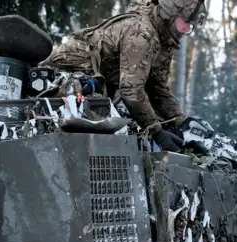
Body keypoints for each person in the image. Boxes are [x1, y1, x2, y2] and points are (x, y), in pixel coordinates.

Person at [39, 0, 207, 152]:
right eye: (185, 22)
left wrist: (181, 121)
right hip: (68, 71)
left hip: (96, 79)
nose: (186, 29)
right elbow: (131, 90)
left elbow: (157, 88)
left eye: (190, 25)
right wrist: (157, 132)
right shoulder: (142, 34)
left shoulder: (164, 39)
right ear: (170, 14)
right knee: (97, 126)